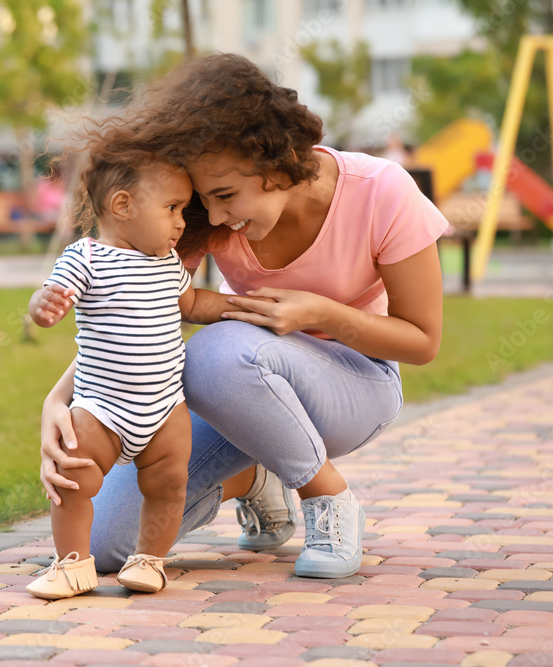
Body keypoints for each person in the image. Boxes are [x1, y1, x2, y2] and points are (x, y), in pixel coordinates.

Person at [38, 53, 447, 580]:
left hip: (355, 383)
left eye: (226, 195)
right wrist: (59, 399)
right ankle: (256, 477)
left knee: (214, 352)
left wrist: (320, 313)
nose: (219, 217)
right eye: (205, 202)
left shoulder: (382, 191)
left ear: (273, 160)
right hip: (240, 391)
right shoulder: (210, 219)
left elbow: (422, 341)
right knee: (108, 544)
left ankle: (327, 499)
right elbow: (139, 308)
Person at [25, 131, 255, 599]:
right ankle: (72, 565)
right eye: (172, 208)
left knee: (169, 486)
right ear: (124, 205)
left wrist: (240, 307)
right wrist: (42, 305)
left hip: (166, 409)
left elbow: (192, 303)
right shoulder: (86, 257)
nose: (180, 222)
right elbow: (52, 295)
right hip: (101, 409)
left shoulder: (168, 262)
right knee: (74, 479)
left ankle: (150, 561)